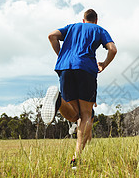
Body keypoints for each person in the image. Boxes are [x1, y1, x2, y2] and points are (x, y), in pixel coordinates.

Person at [47, 9, 117, 168]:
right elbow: (113, 49)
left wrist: (61, 55)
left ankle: (58, 101)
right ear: (96, 20)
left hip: (65, 68)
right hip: (86, 69)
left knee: (74, 115)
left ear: (83, 20)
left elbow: (51, 36)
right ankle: (76, 158)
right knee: (86, 114)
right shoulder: (99, 30)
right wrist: (104, 64)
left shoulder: (72, 27)